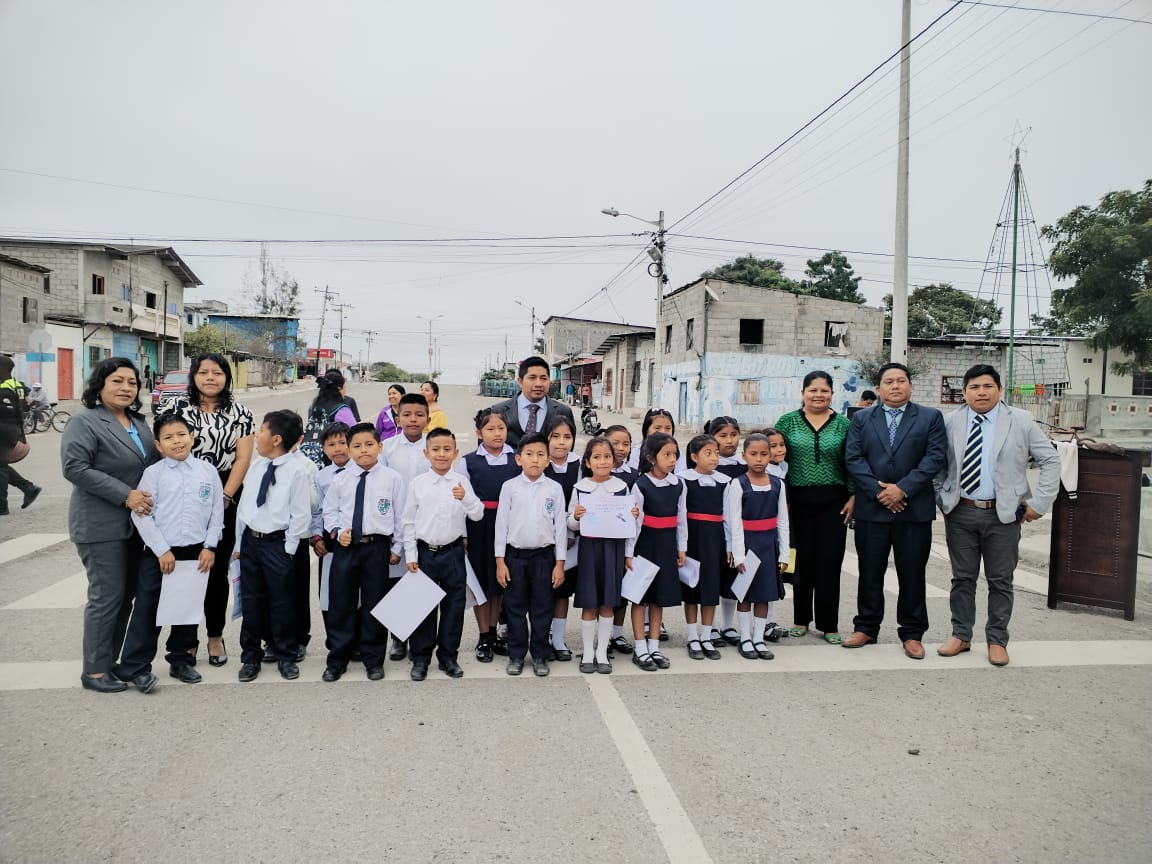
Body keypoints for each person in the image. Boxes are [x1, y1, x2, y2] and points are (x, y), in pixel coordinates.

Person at [934, 364, 1060, 667]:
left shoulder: (1021, 420)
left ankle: (997, 640)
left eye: (988, 386)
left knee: (1001, 580)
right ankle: (961, 635)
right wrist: (941, 495)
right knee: (962, 579)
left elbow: (1050, 460)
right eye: (974, 387)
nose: (981, 392)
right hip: (961, 512)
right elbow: (938, 464)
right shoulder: (949, 422)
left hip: (1003, 514)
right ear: (964, 393)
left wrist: (1040, 503)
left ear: (999, 390)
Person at [61, 357, 158, 692]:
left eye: (132, 382)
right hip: (100, 525)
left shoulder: (138, 422)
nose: (126, 388)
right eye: (117, 381)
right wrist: (125, 495)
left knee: (125, 596)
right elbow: (75, 468)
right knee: (106, 596)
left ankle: (110, 661)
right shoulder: (85, 421)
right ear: (100, 384)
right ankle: (94, 671)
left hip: (134, 526)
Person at [844, 362, 947, 659]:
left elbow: (934, 458)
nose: (895, 386)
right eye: (889, 382)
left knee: (912, 573)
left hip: (913, 510)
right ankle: (866, 627)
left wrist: (902, 489)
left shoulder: (930, 417)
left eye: (901, 380)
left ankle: (912, 633)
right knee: (869, 572)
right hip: (872, 509)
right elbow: (853, 458)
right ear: (878, 388)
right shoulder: (861, 418)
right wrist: (880, 492)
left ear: (910, 386)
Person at [115, 413, 224, 692]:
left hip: (196, 552)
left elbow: (216, 512)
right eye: (168, 437)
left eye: (181, 435)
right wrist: (162, 550)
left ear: (192, 438)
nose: (176, 441)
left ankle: (180, 659)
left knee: (186, 607)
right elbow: (141, 514)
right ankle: (136, 666)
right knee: (148, 608)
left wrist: (210, 546)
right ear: (158, 445)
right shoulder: (154, 474)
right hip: (160, 553)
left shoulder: (207, 471)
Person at [170, 352, 255, 667]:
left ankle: (215, 636)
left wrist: (225, 497)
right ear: (193, 376)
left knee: (216, 570)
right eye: (203, 372)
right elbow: (166, 448)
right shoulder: (176, 409)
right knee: (187, 568)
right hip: (182, 492)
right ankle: (186, 640)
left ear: (226, 378)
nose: (210, 378)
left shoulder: (241, 413)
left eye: (217, 373)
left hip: (226, 492)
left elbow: (243, 459)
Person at [773, 371, 855, 644]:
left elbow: (853, 460)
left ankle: (829, 624)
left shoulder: (843, 424)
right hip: (796, 502)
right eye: (813, 390)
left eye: (824, 390)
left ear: (832, 393)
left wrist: (853, 495)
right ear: (803, 392)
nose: (818, 395)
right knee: (801, 561)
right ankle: (800, 619)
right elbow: (773, 455)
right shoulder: (788, 422)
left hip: (835, 502)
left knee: (830, 563)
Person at [233, 409, 313, 682]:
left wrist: (288, 549)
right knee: (251, 601)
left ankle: (286, 655)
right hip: (251, 543)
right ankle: (250, 656)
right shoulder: (257, 466)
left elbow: (300, 515)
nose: (257, 435)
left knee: (282, 602)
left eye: (262, 430)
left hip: (277, 545)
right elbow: (245, 508)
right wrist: (239, 543)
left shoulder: (296, 472)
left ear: (276, 439)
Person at [321, 422, 404, 681]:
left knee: (374, 605)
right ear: (349, 449)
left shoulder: (392, 479)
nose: (363, 450)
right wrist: (337, 532)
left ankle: (373, 659)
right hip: (347, 548)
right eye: (356, 446)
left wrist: (397, 547)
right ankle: (338, 659)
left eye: (369, 444)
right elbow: (329, 512)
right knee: (341, 604)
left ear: (380, 446)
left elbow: (401, 516)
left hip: (376, 548)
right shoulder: (341, 479)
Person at [402, 427, 484, 681]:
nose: (441, 454)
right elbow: (408, 521)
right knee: (423, 607)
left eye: (447, 449)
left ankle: (448, 656)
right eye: (436, 449)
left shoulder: (461, 483)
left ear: (455, 453)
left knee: (453, 607)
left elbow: (478, 514)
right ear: (426, 453)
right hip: (426, 553)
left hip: (453, 553)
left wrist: (465, 499)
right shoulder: (418, 484)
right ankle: (421, 657)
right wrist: (410, 555)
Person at [494, 433, 567, 677]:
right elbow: (501, 526)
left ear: (548, 460)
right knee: (514, 608)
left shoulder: (554, 489)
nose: (535, 460)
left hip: (544, 558)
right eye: (529, 454)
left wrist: (559, 564)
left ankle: (540, 655)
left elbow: (560, 529)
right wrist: (500, 562)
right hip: (514, 557)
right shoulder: (509, 487)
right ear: (518, 459)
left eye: (540, 455)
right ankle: (516, 655)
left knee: (542, 608)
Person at [569, 436, 638, 674]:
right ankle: (588, 652)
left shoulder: (621, 487)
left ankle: (602, 652)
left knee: (608, 602)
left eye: (607, 456)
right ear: (588, 462)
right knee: (590, 602)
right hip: (589, 550)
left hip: (613, 550)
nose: (602, 461)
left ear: (614, 460)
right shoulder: (580, 488)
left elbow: (629, 527)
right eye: (597, 457)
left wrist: (632, 516)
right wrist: (576, 516)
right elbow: (570, 523)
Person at [459, 408, 521, 661]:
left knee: (499, 584)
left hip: (508, 526)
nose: (497, 433)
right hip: (480, 526)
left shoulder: (516, 458)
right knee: (481, 583)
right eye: (490, 429)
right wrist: (464, 534)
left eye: (501, 428)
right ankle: (483, 635)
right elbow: (462, 502)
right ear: (479, 433)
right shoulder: (468, 461)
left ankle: (494, 633)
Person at [727, 432, 791, 661]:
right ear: (744, 456)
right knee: (745, 594)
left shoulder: (778, 484)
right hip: (748, 545)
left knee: (764, 595)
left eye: (764, 454)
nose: (759, 459)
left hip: (768, 545)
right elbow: (734, 522)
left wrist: (784, 554)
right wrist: (739, 555)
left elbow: (783, 521)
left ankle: (758, 638)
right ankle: (745, 638)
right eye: (753, 454)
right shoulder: (738, 484)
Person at [379, 392, 430, 660]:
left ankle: (418, 637)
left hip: (425, 525)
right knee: (396, 581)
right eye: (407, 414)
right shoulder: (387, 448)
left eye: (419, 415)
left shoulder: (433, 448)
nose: (413, 419)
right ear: (397, 418)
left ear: (427, 419)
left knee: (418, 581)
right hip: (395, 524)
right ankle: (398, 638)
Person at [630, 433, 687, 671]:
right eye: (666, 455)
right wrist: (629, 553)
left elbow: (681, 519)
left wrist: (682, 548)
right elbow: (635, 524)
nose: (672, 459)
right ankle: (640, 648)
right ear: (651, 458)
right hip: (645, 545)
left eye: (675, 455)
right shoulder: (641, 485)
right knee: (641, 597)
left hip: (666, 546)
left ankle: (654, 646)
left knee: (659, 598)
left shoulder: (678, 485)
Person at [679, 433, 733, 661]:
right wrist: (680, 545)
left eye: (716, 453)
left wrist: (729, 545)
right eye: (708, 453)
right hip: (692, 538)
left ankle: (706, 635)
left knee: (711, 588)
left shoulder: (725, 481)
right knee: (692, 588)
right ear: (694, 456)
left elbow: (728, 516)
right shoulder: (683, 479)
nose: (714, 458)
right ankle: (692, 636)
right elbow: (680, 514)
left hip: (714, 540)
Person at [309, 421, 352, 648]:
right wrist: (316, 536)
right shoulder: (322, 476)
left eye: (343, 443)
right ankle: (335, 639)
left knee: (357, 594)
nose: (338, 449)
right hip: (331, 541)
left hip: (357, 540)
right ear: (324, 449)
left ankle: (356, 641)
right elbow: (317, 511)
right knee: (329, 592)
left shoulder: (361, 471)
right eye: (331, 445)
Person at [543, 414, 581, 660]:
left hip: (570, 540)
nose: (561, 442)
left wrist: (569, 532)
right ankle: (541, 636)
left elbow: (580, 502)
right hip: (542, 538)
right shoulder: (539, 462)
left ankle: (558, 639)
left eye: (567, 437)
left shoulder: (579, 465)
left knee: (562, 590)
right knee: (542, 591)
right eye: (555, 436)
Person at [703, 416, 743, 645]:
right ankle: (709, 627)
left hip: (737, 530)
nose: (729, 441)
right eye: (723, 436)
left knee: (731, 578)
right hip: (711, 532)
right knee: (711, 578)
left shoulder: (744, 465)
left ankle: (727, 626)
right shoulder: (706, 466)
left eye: (734, 435)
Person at [490, 356, 575, 449]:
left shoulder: (563, 412)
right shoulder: (499, 411)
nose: (539, 384)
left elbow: (567, 451)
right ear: (520, 381)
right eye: (532, 378)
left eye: (543, 378)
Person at [1, 356, 40, 514]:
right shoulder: (18, 385)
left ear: (3, 369)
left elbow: (6, 411)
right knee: (1, 465)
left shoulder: (4, 388)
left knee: (1, 467)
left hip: (4, 429)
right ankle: (28, 488)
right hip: (13, 428)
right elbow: (22, 407)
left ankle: (2, 506)